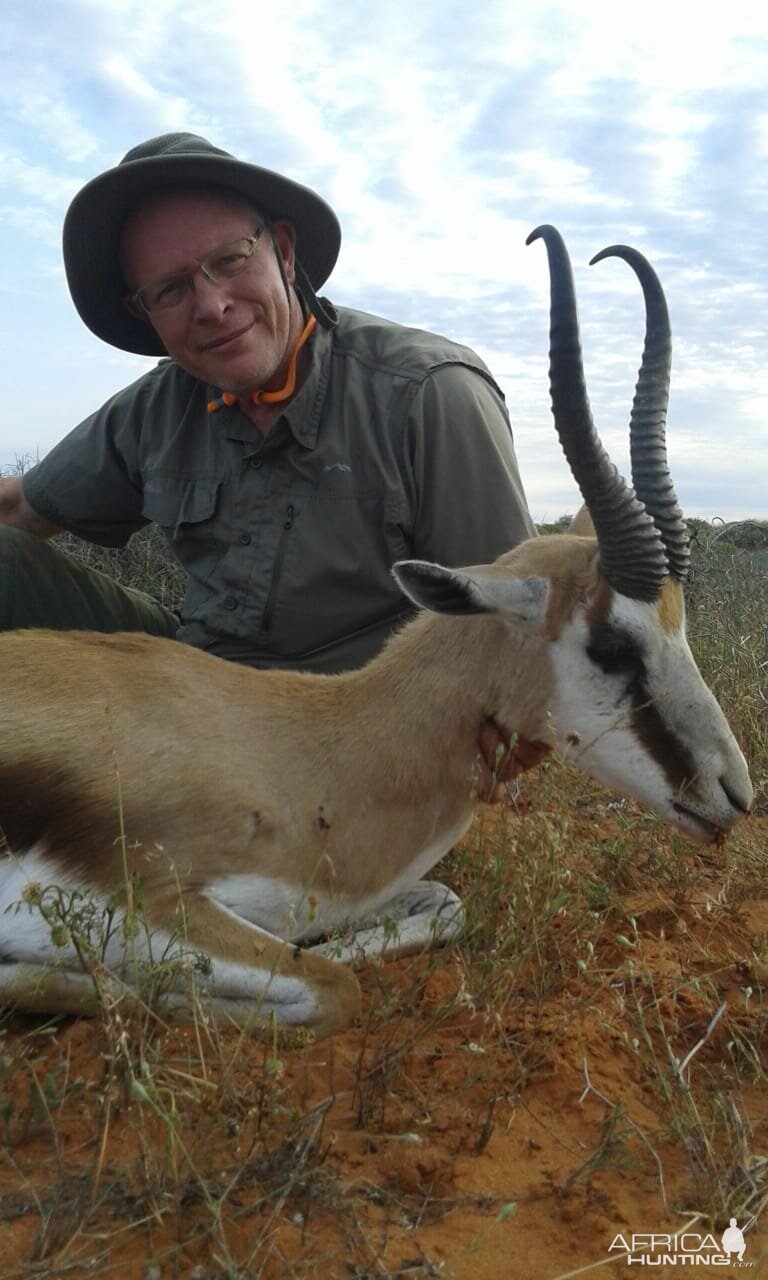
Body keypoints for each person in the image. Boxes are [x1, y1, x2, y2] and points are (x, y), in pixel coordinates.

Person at [0, 132, 545, 794]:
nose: (211, 305)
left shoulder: (428, 395)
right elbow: (21, 510)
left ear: (284, 251)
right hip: (188, 689)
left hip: (343, 737)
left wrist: (490, 737)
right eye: (170, 290)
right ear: (143, 313)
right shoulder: (153, 409)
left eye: (230, 259)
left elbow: (517, 632)